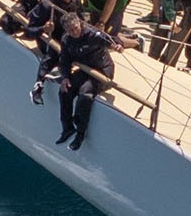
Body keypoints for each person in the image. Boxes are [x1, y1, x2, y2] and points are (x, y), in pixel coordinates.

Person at [49, 12, 138, 151]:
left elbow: (111, 40)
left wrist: (117, 45)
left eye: (76, 28)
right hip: (85, 70)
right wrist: (65, 77)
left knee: (85, 92)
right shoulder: (66, 40)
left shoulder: (92, 34)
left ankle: (80, 133)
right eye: (71, 31)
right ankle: (67, 127)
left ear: (79, 23)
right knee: (65, 90)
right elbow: (65, 61)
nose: (74, 32)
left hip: (102, 71)